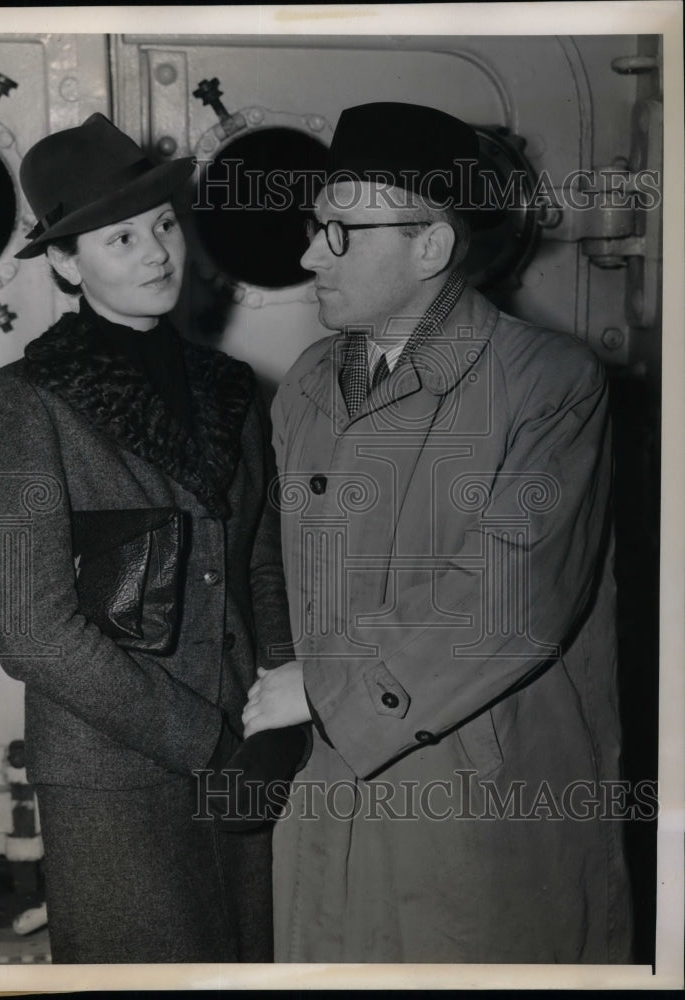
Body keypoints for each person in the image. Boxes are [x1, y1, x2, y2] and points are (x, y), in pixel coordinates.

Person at [242, 103, 634, 963]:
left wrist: (323, 686)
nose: (311, 255)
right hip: (332, 799)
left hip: (476, 815)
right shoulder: (310, 379)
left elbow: (511, 598)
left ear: (430, 246)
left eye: (342, 231)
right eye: (316, 227)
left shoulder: (547, 381)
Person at [0, 113, 294, 963]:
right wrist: (207, 744)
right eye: (120, 239)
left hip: (248, 767)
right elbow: (34, 632)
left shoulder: (231, 389)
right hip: (114, 781)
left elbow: (261, 564)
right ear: (66, 264)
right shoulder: (17, 403)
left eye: (163, 225)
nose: (156, 254)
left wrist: (277, 721)